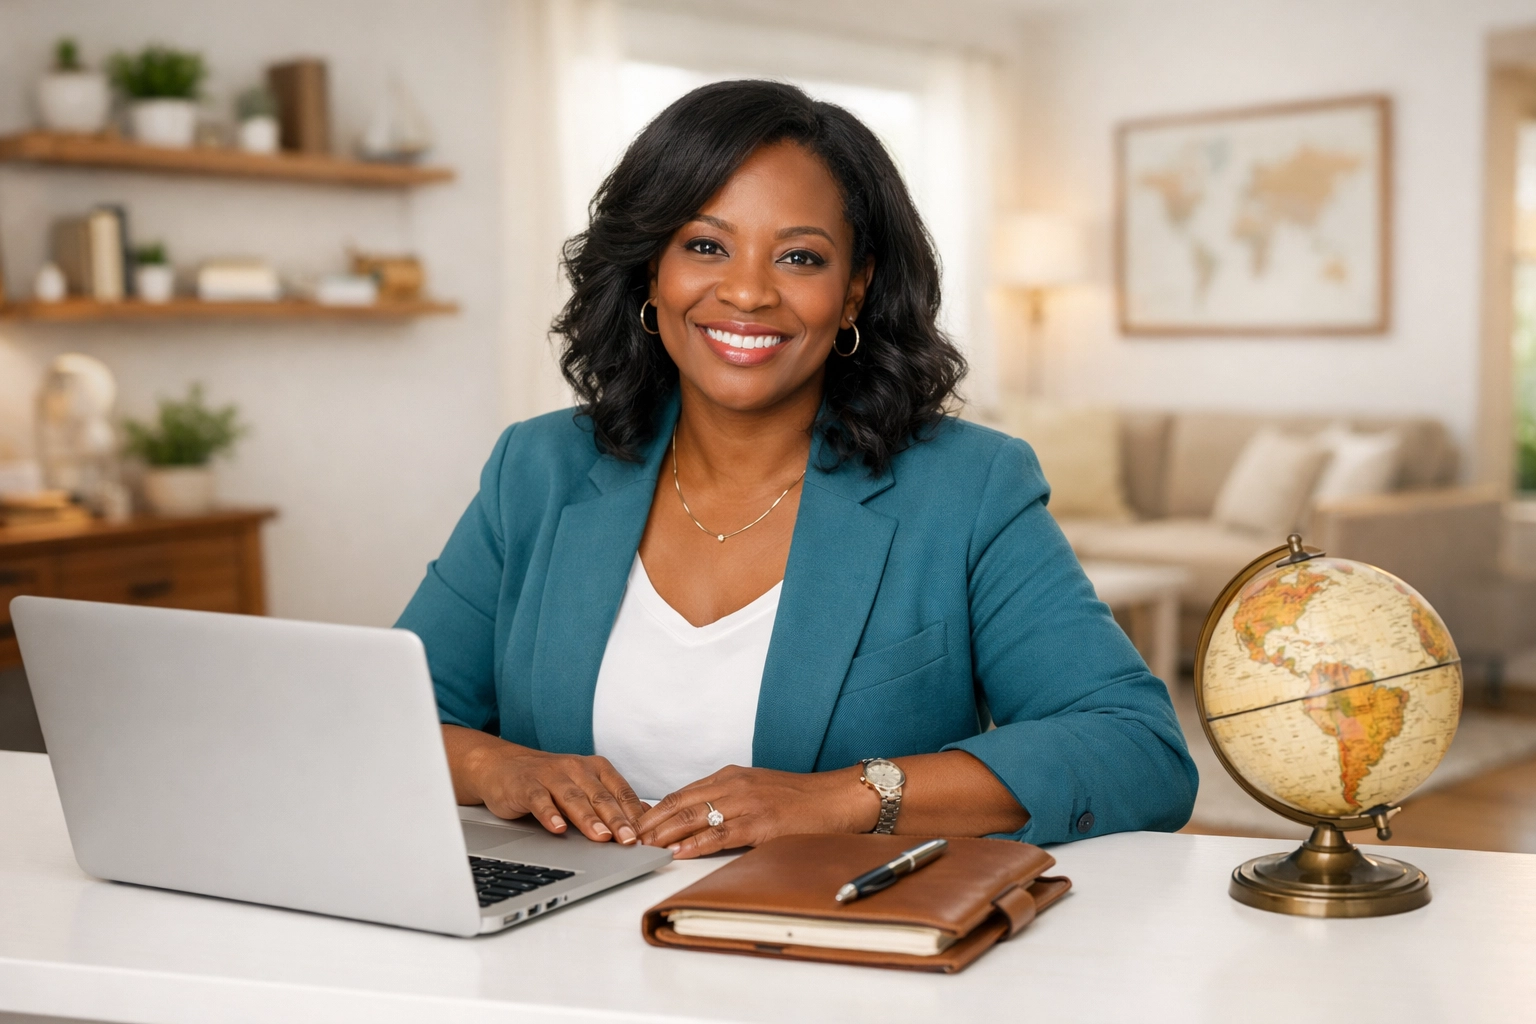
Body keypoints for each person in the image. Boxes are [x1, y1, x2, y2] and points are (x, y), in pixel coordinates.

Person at [396, 80, 1196, 859]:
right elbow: (392, 717)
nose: (747, 292)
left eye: (800, 258)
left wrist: (842, 799)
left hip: (831, 936)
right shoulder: (537, 469)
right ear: (650, 272)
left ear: (854, 291)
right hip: (563, 932)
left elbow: (1136, 749)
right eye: (705, 246)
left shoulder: (969, 487)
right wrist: (499, 766)